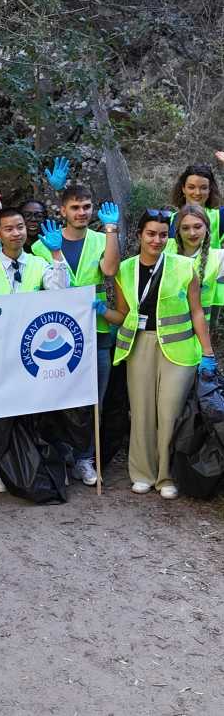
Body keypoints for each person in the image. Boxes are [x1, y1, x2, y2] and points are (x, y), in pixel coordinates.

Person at [101, 209, 216, 499]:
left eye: (163, 234)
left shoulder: (184, 267)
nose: (157, 240)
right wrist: (101, 311)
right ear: (139, 235)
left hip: (179, 349)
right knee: (140, 412)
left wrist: (208, 352)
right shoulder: (125, 269)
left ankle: (167, 476)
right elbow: (125, 314)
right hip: (139, 345)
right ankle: (142, 472)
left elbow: (197, 311)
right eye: (151, 234)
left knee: (170, 412)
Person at [0, 207, 70, 494]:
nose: (16, 233)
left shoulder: (41, 265)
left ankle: (44, 464)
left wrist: (56, 255)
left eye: (20, 227)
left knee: (40, 411)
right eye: (9, 229)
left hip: (35, 352)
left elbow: (60, 292)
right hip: (1, 354)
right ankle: (1, 469)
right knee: (2, 413)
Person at [31, 183, 121, 486]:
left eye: (86, 207)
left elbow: (109, 270)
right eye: (75, 207)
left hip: (97, 328)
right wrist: (54, 250)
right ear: (62, 210)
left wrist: (111, 230)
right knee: (59, 397)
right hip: (57, 334)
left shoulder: (100, 239)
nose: (81, 213)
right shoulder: (43, 244)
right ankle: (63, 454)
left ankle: (86, 457)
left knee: (93, 398)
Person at [168, 204, 224, 323]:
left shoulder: (219, 257)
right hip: (164, 329)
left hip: (200, 330)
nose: (192, 233)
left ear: (207, 228)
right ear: (178, 230)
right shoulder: (164, 249)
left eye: (197, 227)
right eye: (185, 228)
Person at [169, 164, 224, 248]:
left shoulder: (219, 217)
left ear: (209, 190)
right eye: (191, 187)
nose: (197, 193)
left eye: (203, 188)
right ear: (183, 189)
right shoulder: (169, 219)